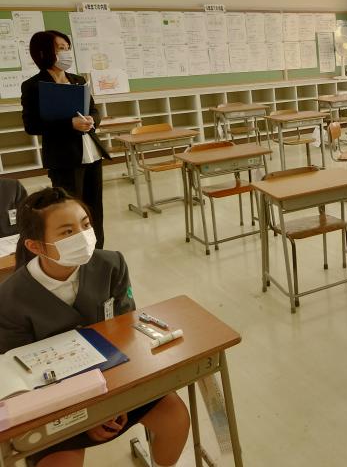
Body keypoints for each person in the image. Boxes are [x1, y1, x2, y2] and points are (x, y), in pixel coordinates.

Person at [0, 187, 189, 467]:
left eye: (85, 225)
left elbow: (126, 333)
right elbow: (22, 378)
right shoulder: (10, 298)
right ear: (36, 246)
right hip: (57, 406)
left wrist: (114, 401)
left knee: (176, 419)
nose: (83, 236)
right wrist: (89, 414)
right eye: (67, 232)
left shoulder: (111, 264)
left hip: (118, 382)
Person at [21, 31, 109, 249]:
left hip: (92, 153)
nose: (66, 52)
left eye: (67, 48)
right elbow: (32, 125)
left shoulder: (78, 80)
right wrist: (69, 124)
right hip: (64, 158)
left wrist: (92, 120)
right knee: (70, 209)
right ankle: (77, 251)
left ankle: (97, 250)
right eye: (60, 48)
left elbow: (94, 110)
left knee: (94, 208)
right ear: (43, 52)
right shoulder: (33, 85)